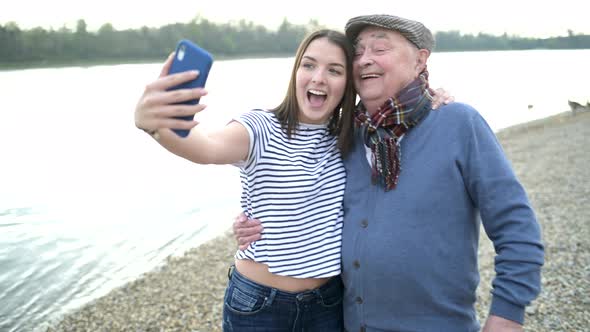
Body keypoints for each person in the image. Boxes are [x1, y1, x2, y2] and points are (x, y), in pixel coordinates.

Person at [233, 14, 545, 332]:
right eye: (357, 52)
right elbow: (303, 193)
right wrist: (258, 220)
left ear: (420, 60)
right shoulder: (345, 135)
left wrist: (506, 316)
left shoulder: (458, 124)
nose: (365, 60)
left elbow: (516, 227)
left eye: (380, 49)